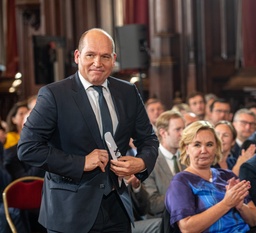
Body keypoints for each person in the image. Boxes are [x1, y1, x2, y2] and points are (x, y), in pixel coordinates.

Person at [17, 28, 159, 233]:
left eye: (105, 56)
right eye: (90, 55)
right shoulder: (54, 94)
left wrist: (142, 162)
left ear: (114, 59)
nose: (97, 63)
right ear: (77, 56)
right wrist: (80, 163)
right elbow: (28, 148)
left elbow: (149, 139)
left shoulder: (128, 92)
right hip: (70, 212)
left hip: (117, 209)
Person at [165, 121, 256, 233]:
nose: (204, 150)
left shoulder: (227, 175)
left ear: (216, 148)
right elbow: (187, 228)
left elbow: (254, 220)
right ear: (187, 149)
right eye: (197, 145)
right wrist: (226, 203)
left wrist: (240, 206)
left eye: (209, 144)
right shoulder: (181, 181)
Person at [143, 110, 185, 218]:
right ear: (163, 133)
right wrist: (184, 194)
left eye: (184, 128)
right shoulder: (150, 162)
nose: (183, 133)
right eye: (178, 129)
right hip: (162, 221)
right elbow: (152, 204)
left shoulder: (187, 158)